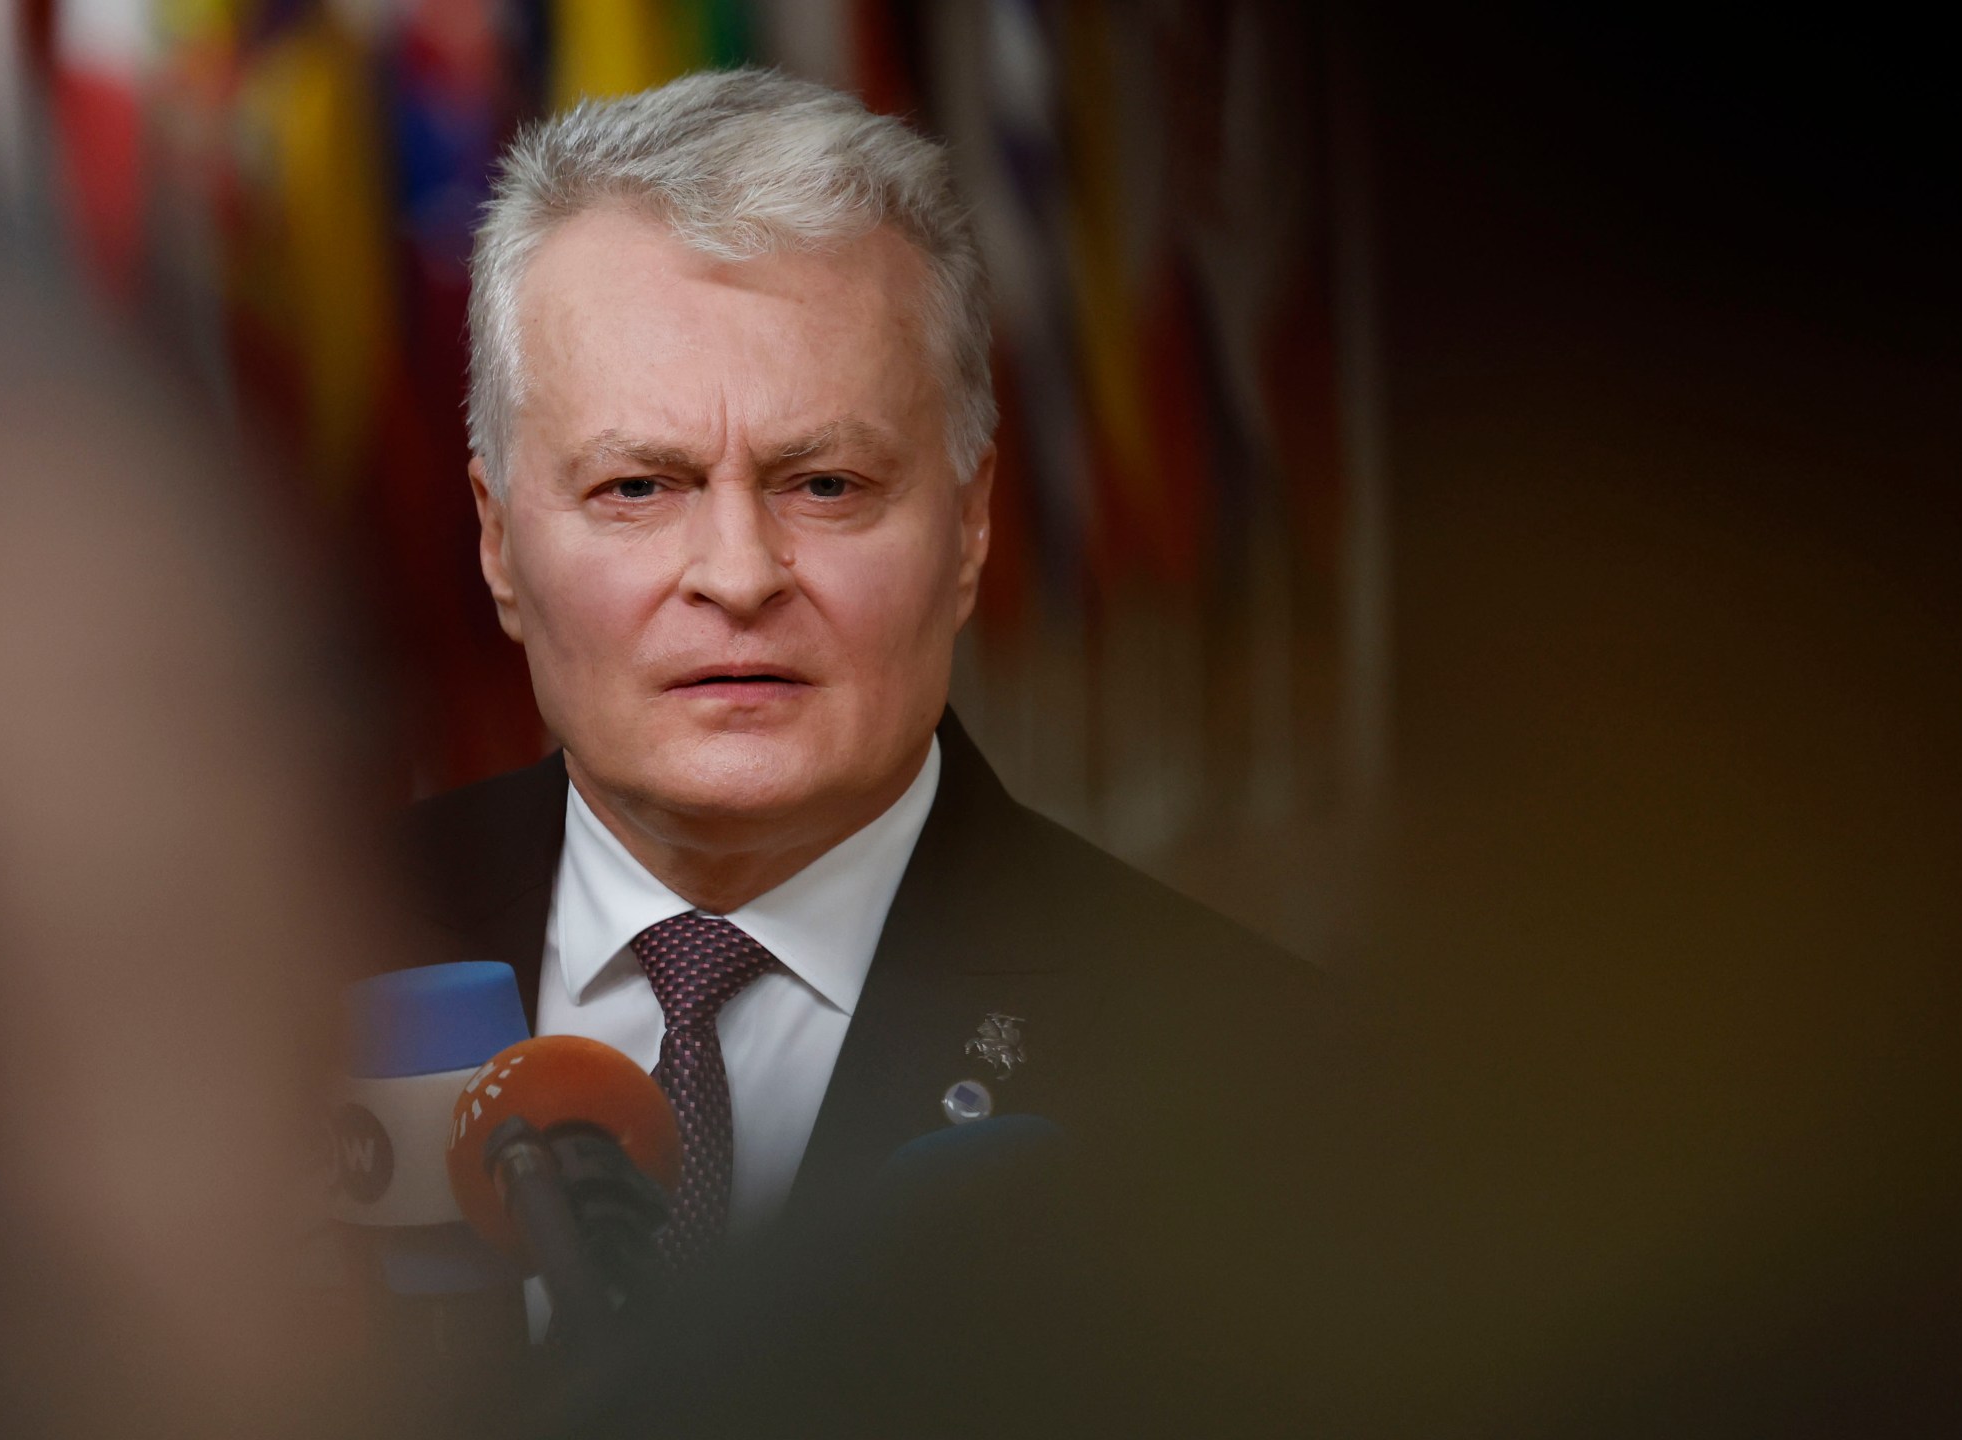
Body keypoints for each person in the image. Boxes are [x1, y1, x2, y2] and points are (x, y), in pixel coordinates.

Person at [398, 69, 1342, 1434]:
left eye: (825, 484)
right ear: (497, 543)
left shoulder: (1263, 1082)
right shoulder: (268, 980)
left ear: (967, 530)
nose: (736, 573)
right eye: (637, 487)